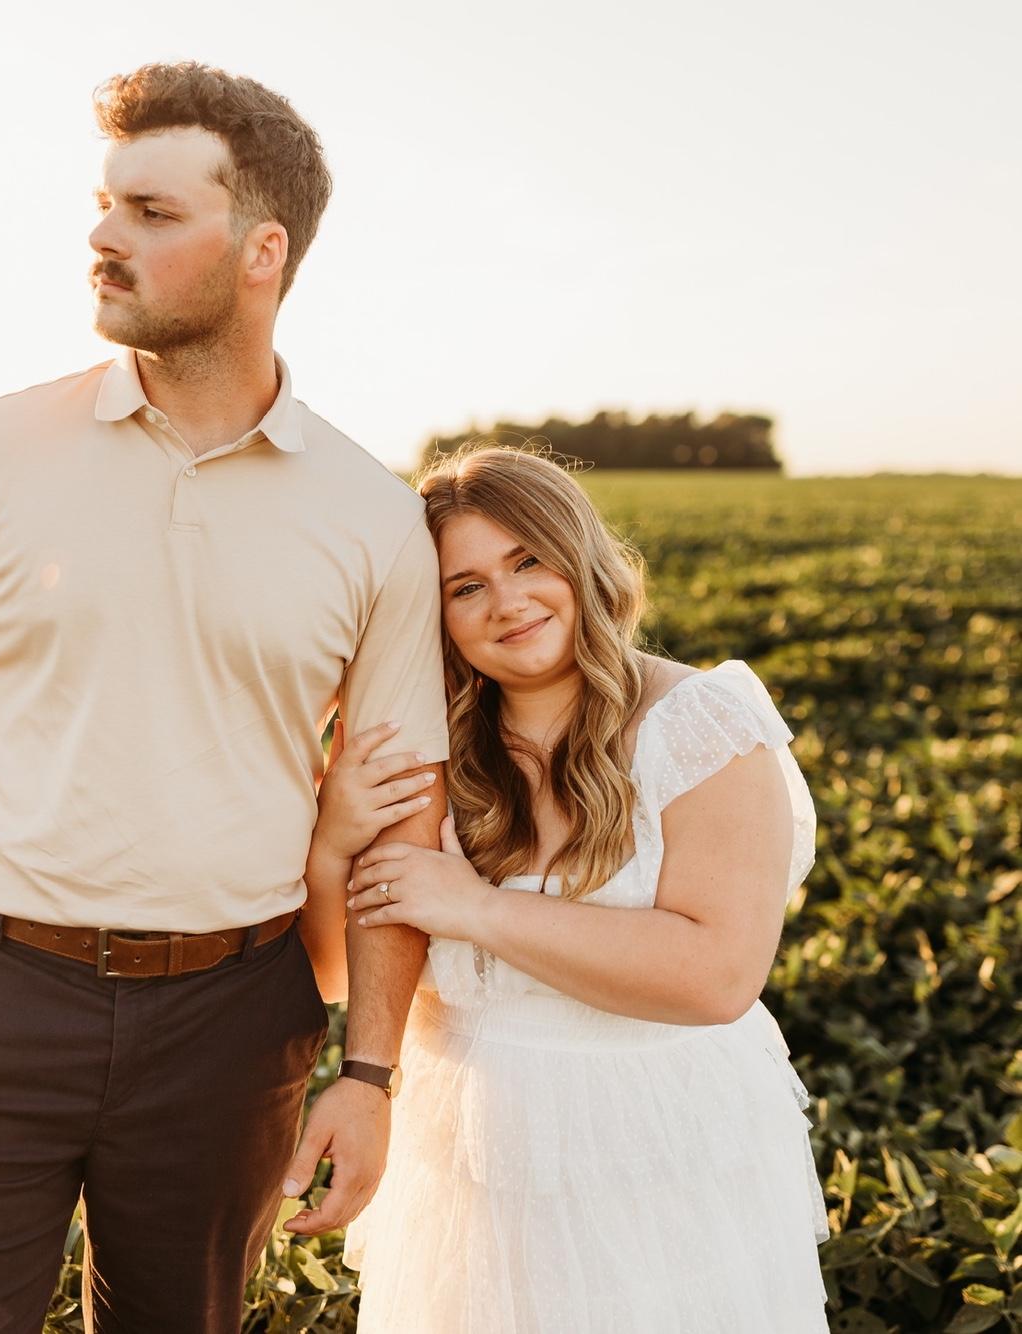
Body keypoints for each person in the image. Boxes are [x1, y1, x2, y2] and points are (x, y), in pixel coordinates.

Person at [0, 62, 448, 1333]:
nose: (105, 237)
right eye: (104, 206)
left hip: (232, 1021)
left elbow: (400, 823)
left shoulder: (371, 516)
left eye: (154, 213)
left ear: (261, 248)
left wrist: (367, 1069)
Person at [318, 447, 830, 1332]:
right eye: (465, 586)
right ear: (433, 617)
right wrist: (331, 838)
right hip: (468, 1163)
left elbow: (717, 976)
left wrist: (475, 907)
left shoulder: (703, 728)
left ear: (581, 558)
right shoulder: (422, 755)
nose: (507, 601)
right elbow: (339, 981)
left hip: (662, 1152)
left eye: (527, 561)